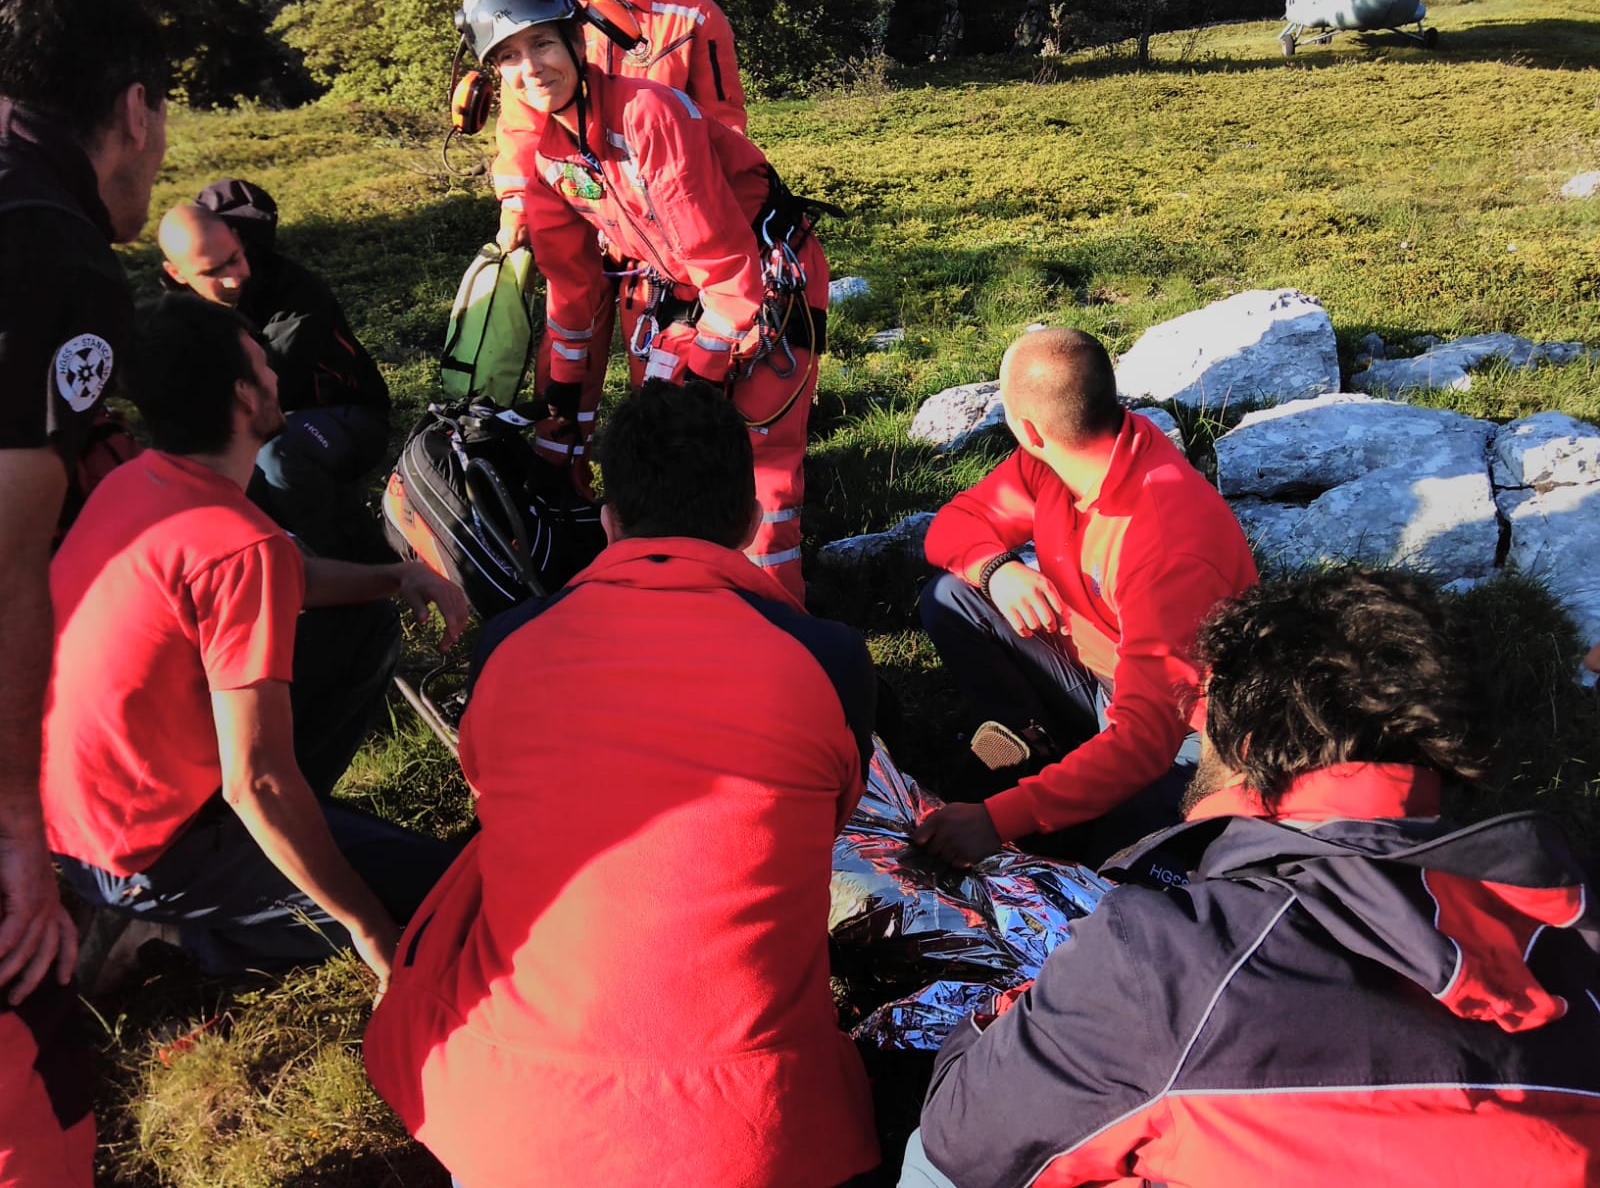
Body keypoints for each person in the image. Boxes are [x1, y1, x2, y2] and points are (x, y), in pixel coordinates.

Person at [901, 568, 1600, 1187]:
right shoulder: (1574, 914)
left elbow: (962, 1145)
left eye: (1202, 717)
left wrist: (1019, 1009)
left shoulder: (1166, 963)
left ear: (1247, 743)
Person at [364, 382, 880, 1188]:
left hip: (511, 1124)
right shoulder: (832, 659)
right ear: (752, 522)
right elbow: (833, 818)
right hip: (749, 1140)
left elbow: (489, 792)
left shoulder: (507, 646)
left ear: (608, 522)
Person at [42, 294, 469, 988]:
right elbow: (257, 781)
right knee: (449, 899)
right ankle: (191, 934)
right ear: (245, 396)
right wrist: (368, 928)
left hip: (85, 822)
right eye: (263, 365)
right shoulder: (238, 547)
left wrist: (396, 576)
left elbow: (292, 573)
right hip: (148, 853)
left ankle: (273, 859)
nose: (276, 376)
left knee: (364, 623)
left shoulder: (135, 481)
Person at [459, 0, 828, 600]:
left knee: (753, 465)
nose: (531, 68)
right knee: (671, 463)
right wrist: (562, 405)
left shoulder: (647, 113)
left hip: (764, 280)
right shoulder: (548, 155)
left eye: (543, 44)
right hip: (674, 284)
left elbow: (725, 264)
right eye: (510, 57)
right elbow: (573, 294)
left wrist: (704, 374)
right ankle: (686, 612)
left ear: (576, 44)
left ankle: (777, 619)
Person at [0, 0, 168, 1180]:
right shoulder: (51, 252)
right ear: (134, 110)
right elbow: (8, 563)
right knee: (36, 1066)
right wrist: (19, 830)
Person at [912, 328, 1257, 869]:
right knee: (952, 596)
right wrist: (996, 569)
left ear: (1028, 429)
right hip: (1103, 677)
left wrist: (998, 820)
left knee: (1111, 863)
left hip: (1189, 733)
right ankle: (1034, 744)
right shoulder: (1057, 462)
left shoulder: (1166, 545)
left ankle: (1068, 794)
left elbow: (1145, 738)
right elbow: (954, 526)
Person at [483, 0, 750, 502]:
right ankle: (561, 495)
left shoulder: (691, 12)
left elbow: (722, 117)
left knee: (659, 369)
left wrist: (680, 204)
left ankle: (658, 496)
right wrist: (518, 201)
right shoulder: (543, 7)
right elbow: (524, 116)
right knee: (564, 362)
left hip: (667, 226)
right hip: (572, 202)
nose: (529, 60)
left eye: (541, 47)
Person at [159, 182, 393, 559]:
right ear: (178, 273)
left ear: (238, 239)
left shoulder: (296, 294)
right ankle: (284, 568)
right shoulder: (178, 315)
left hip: (349, 416)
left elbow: (266, 390)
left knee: (275, 456)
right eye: (212, 271)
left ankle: (368, 568)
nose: (232, 279)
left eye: (234, 259)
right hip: (265, 422)